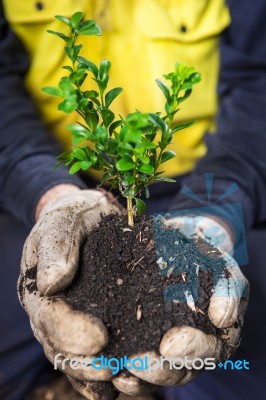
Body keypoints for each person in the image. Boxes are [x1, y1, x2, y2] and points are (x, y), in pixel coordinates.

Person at [0, 0, 265, 399]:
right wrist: (48, 193)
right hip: (57, 184)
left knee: (237, 369)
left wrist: (216, 212)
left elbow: (258, 86)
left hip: (205, 183)